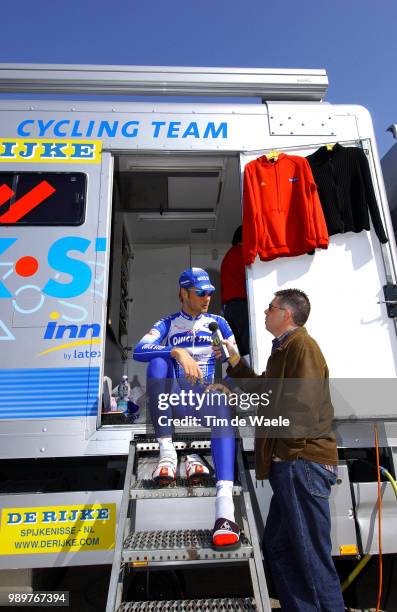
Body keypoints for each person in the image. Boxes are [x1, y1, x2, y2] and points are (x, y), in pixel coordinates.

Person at [215, 289, 345, 611]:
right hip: (292, 465)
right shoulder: (282, 351)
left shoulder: (303, 347)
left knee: (310, 558)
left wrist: (283, 453)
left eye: (270, 308)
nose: (264, 312)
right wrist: (234, 361)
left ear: (287, 314)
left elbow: (303, 406)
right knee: (278, 547)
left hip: (301, 463)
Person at [133, 267, 240, 548]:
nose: (207, 298)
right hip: (175, 400)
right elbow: (139, 349)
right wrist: (176, 351)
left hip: (206, 398)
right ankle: (166, 454)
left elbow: (238, 363)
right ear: (183, 293)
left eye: (210, 293)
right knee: (158, 363)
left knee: (221, 402)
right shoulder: (168, 323)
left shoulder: (219, 322)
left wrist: (227, 379)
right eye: (200, 293)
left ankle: (225, 512)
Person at [220, 226, 250, 357]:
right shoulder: (240, 252)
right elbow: (250, 277)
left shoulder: (230, 254)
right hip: (240, 306)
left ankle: (240, 373)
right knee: (247, 347)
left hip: (231, 307)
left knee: (238, 348)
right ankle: (248, 375)